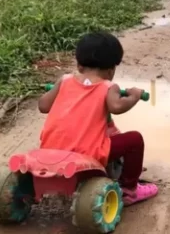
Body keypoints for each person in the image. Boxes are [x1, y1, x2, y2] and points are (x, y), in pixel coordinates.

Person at [39, 32, 159, 205]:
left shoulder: (64, 81)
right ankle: (129, 190)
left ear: (79, 65)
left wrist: (56, 92)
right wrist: (134, 96)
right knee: (134, 140)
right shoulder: (108, 86)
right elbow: (116, 107)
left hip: (50, 149)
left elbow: (43, 106)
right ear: (111, 70)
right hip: (87, 153)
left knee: (99, 132)